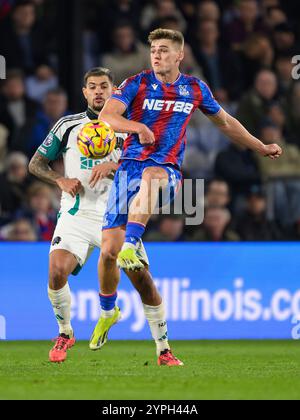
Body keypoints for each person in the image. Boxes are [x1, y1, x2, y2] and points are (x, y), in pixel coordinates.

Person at [97, 28, 282, 365]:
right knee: (111, 254)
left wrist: (260, 146)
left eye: (164, 50)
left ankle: (131, 243)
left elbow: (225, 123)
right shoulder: (136, 83)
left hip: (165, 171)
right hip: (127, 173)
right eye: (153, 49)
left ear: (179, 55)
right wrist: (136, 127)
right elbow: (107, 116)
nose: (156, 55)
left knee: (152, 179)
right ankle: (126, 323)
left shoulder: (194, 88)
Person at [28, 67, 147, 363]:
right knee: (56, 270)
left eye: (104, 86)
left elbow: (148, 170)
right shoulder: (68, 125)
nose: (98, 92)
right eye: (91, 86)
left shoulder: (129, 127)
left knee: (143, 280)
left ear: (114, 90)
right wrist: (60, 180)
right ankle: (65, 332)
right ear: (84, 92)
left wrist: (116, 167)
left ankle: (161, 344)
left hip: (116, 215)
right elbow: (36, 163)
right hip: (76, 213)